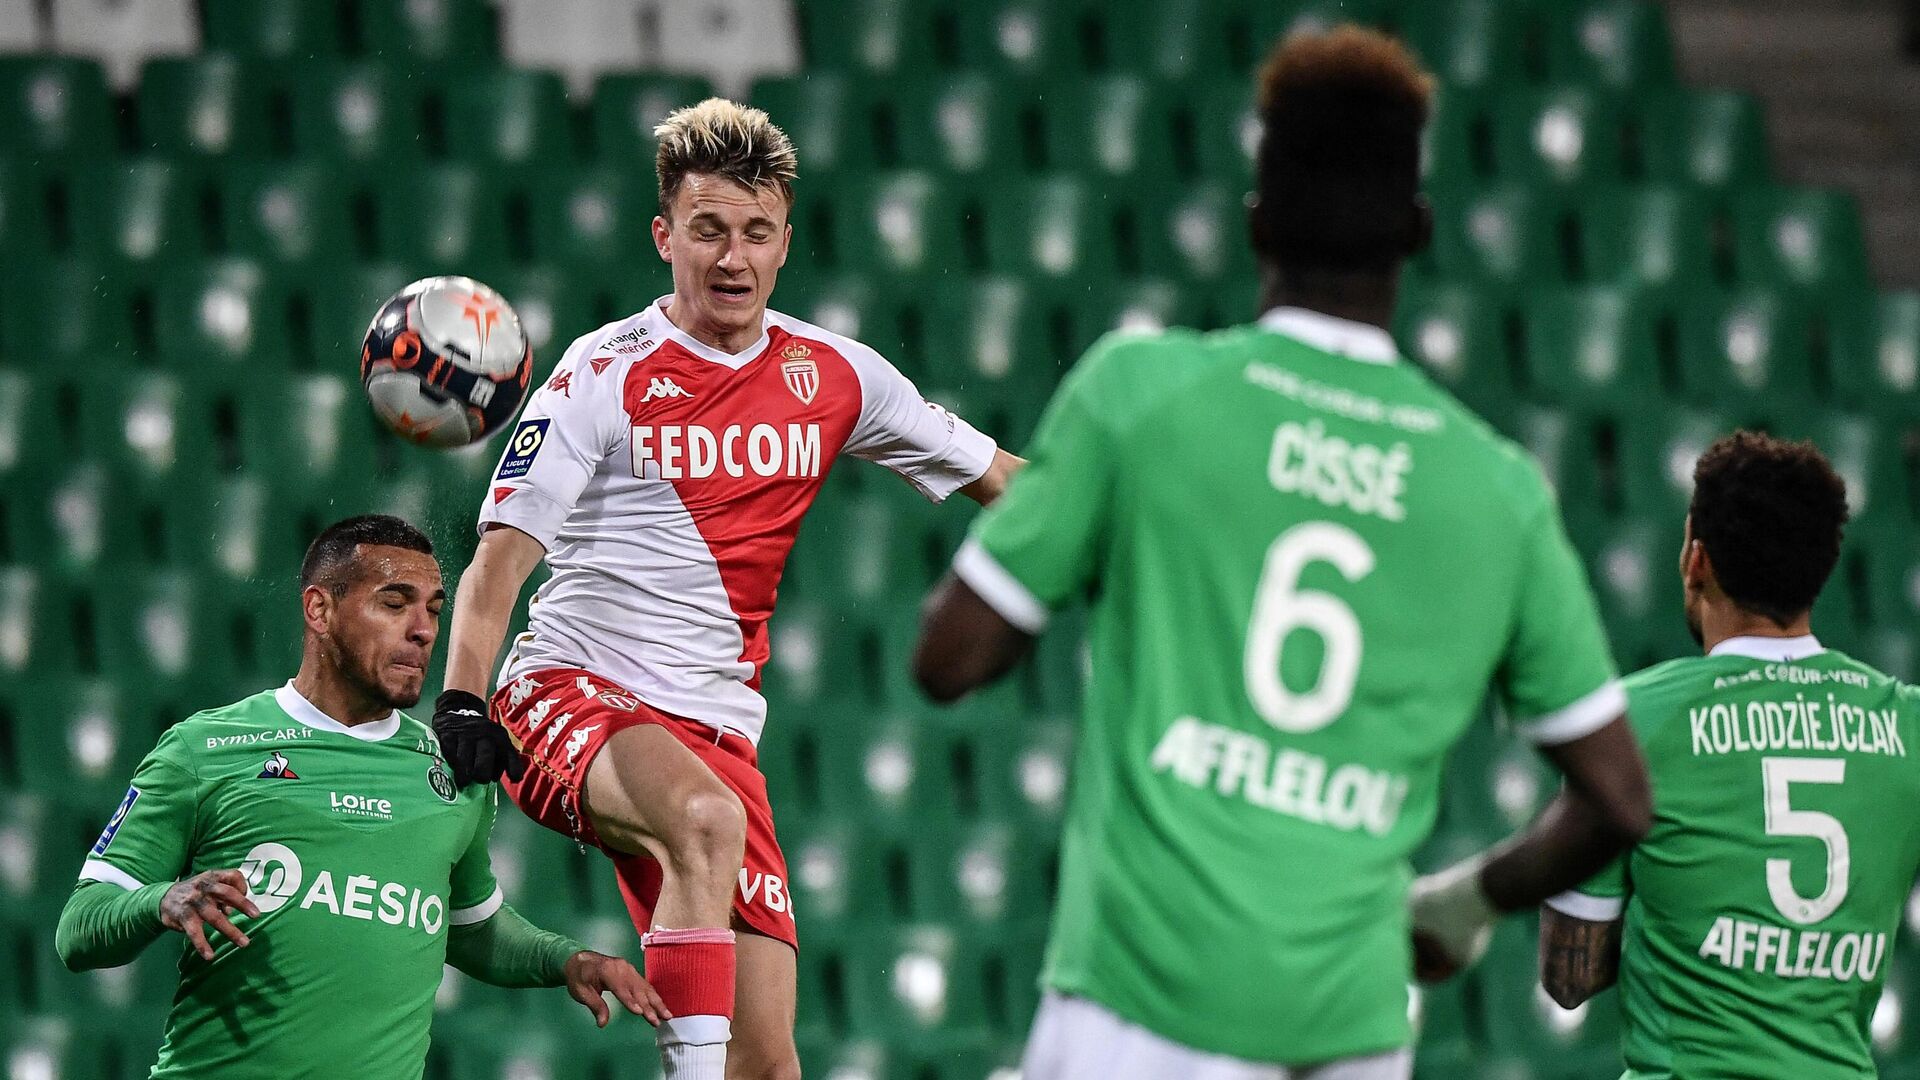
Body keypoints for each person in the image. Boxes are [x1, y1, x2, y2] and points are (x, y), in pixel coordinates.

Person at [911, 27, 1652, 1080]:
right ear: (1419, 230)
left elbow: (951, 661)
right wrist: (1466, 900)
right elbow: (1619, 799)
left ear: (1257, 223)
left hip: (1134, 1013)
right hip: (1348, 1032)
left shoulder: (1140, 397)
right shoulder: (1499, 490)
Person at [428, 98, 1024, 1080]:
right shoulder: (601, 372)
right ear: (665, 235)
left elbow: (1009, 483)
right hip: (565, 697)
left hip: (716, 739)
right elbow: (501, 556)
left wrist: (1140, 518)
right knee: (705, 821)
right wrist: (460, 699)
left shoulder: (836, 374)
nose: (732, 257)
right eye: (708, 229)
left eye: (755, 232)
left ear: (787, 240)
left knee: (768, 1064)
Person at [54, 514, 662, 1078]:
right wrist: (165, 899)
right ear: (319, 609)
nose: (423, 631)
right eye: (393, 603)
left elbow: (470, 928)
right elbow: (79, 930)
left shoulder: (451, 773)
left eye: (432, 609)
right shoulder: (204, 748)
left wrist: (568, 961)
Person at [1539, 431, 1919, 1078]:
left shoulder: (1631, 723)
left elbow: (1568, 977)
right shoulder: (1906, 722)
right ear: (1821, 569)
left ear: (1696, 558)